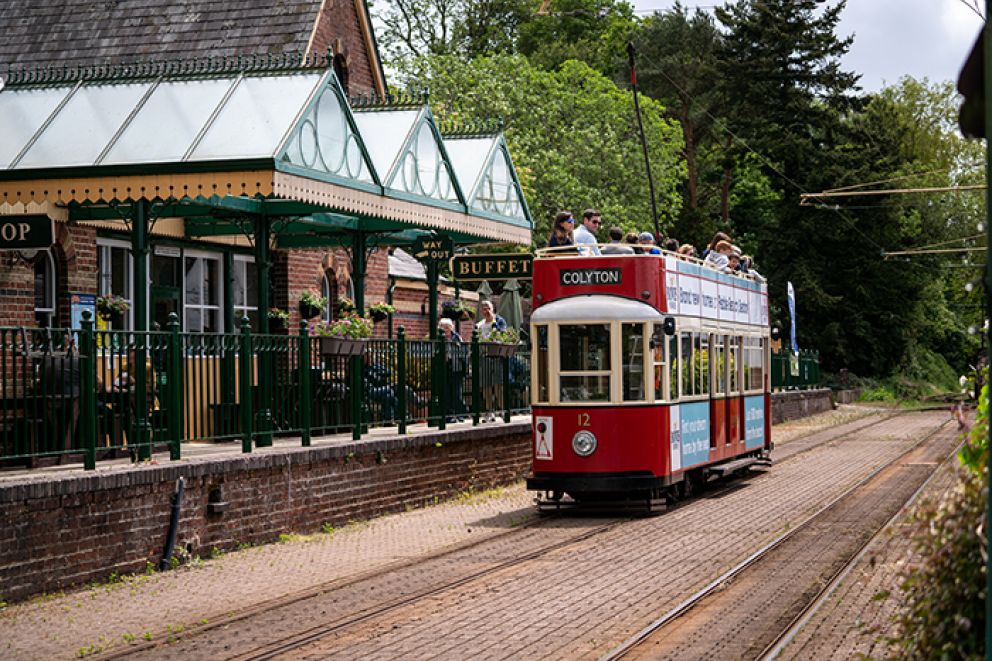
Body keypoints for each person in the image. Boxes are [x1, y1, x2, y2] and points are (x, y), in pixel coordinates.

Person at [476, 301, 507, 422]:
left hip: (497, 357)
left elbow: (502, 335)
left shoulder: (500, 321)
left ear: (493, 309)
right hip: (484, 357)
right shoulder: (479, 325)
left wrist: (494, 324)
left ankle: (502, 409)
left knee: (498, 385)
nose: (486, 311)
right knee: (486, 386)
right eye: (483, 309)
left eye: (488, 308)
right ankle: (489, 411)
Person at [438, 318, 467, 422]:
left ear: (451, 327)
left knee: (457, 392)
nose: (445, 329)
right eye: (442, 327)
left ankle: (460, 414)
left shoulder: (457, 337)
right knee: (447, 392)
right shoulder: (439, 338)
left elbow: (464, 351)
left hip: (456, 366)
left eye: (447, 327)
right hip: (444, 368)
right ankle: (449, 415)